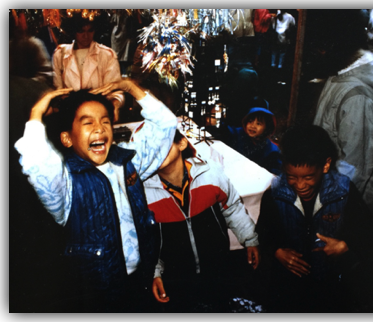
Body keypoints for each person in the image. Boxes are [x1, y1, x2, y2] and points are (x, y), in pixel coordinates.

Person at [14, 79, 177, 313]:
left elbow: (165, 126)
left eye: (105, 121)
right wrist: (36, 113)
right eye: (87, 123)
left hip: (140, 281)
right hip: (95, 296)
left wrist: (131, 88)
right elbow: (37, 162)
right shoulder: (65, 183)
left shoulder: (127, 162)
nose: (99, 128)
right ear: (67, 138)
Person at [257, 125, 373, 313]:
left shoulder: (344, 193)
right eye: (291, 176)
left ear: (325, 165)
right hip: (286, 284)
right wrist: (277, 251)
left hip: (329, 283)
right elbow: (263, 232)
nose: (300, 185)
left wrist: (346, 244)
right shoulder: (275, 195)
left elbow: (369, 232)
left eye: (309, 177)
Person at [146, 130, 260, 313]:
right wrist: (154, 272)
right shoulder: (144, 193)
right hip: (175, 276)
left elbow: (231, 207)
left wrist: (249, 238)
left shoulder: (210, 173)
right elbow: (146, 239)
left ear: (181, 143)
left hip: (217, 267)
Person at [312, 9, 373, 216]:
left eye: (324, 48)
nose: (320, 53)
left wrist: (324, 205)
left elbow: (354, 170)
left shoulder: (358, 97)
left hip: (342, 211)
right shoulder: (337, 75)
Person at [52, 13, 125, 121]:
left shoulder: (107, 55)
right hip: (70, 118)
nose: (86, 36)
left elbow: (116, 92)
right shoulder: (60, 54)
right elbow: (58, 92)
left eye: (90, 30)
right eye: (81, 31)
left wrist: (115, 105)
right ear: (73, 31)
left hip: (99, 115)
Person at [220, 107, 282, 175]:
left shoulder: (271, 150)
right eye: (250, 122)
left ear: (266, 128)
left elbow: (276, 170)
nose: (253, 126)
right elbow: (225, 132)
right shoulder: (239, 133)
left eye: (258, 124)